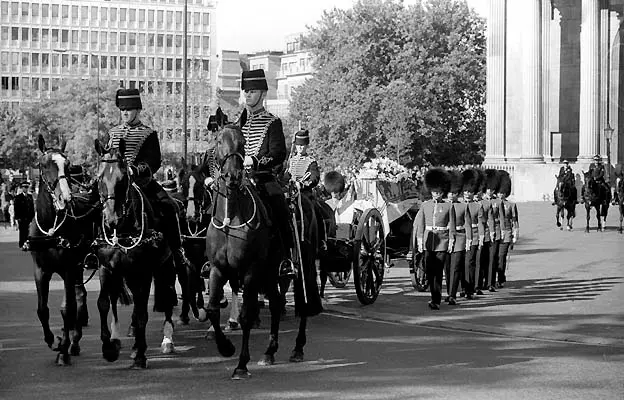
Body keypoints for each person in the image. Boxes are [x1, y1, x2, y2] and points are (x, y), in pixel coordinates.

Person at [103, 88, 191, 274]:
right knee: (94, 204)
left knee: (168, 206)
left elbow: (154, 160)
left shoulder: (148, 134)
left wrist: (136, 169)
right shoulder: (112, 133)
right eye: (122, 110)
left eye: (129, 109)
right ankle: (92, 249)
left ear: (138, 110)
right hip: (117, 184)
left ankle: (177, 251)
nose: (125, 113)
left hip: (141, 182)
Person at [238, 69, 294, 277]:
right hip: (239, 179)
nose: (248, 95)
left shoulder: (273, 122)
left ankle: (287, 258)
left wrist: (256, 160)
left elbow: (278, 153)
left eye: (252, 91)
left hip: (263, 179)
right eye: (246, 92)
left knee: (280, 210)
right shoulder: (239, 124)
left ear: (262, 94)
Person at [414, 168, 456, 310]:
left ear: (442, 192)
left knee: (438, 272)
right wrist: (420, 240)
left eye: (438, 192)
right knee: (430, 272)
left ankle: (436, 299)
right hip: (428, 242)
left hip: (442, 243)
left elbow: (451, 225)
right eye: (434, 192)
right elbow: (421, 224)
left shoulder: (448, 206)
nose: (436, 194)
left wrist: (451, 241)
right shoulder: (426, 205)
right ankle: (434, 295)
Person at [445, 170, 472, 305]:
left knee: (455, 268)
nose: (451, 195)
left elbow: (467, 223)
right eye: (449, 193)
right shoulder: (443, 206)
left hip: (459, 238)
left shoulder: (462, 206)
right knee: (447, 268)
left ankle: (452, 294)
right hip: (444, 239)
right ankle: (449, 291)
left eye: (454, 193)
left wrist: (468, 240)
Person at [462, 169, 484, 300]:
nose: (467, 194)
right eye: (465, 191)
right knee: (460, 264)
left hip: (474, 235)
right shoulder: (458, 205)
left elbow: (480, 222)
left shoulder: (477, 206)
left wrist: (481, 237)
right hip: (461, 237)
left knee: (470, 262)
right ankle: (463, 287)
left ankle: (469, 289)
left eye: (470, 192)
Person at [495, 171, 519, 288]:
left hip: (507, 233)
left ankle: (501, 277)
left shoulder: (511, 205)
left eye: (503, 192)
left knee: (501, 256)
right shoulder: (493, 204)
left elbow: (514, 221)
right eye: (499, 192)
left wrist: (515, 235)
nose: (501, 195)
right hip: (495, 232)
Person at [478, 169, 499, 293]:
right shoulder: (480, 203)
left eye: (492, 189)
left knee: (492, 258)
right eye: (488, 189)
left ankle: (490, 282)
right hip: (480, 233)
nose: (490, 192)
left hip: (492, 232)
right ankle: (479, 282)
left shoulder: (496, 202)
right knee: (481, 259)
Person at [14, 181, 35, 248]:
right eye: (24, 187)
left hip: (29, 218)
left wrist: (33, 217)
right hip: (22, 218)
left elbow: (31, 207)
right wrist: (17, 218)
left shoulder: (30, 196)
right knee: (22, 232)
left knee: (29, 232)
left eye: (26, 187)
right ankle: (22, 244)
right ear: (22, 188)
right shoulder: (18, 197)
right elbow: (16, 208)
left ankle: (27, 244)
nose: (25, 189)